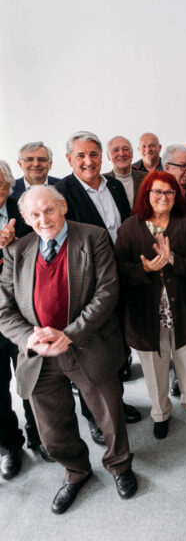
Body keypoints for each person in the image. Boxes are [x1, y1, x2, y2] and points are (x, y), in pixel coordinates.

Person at [0, 186, 137, 513]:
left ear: (62, 206)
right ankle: (76, 471)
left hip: (87, 345)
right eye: (34, 214)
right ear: (25, 218)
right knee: (52, 431)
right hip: (39, 355)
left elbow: (107, 292)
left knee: (109, 417)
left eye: (49, 210)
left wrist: (70, 334)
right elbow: (4, 310)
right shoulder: (16, 251)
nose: (43, 219)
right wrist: (29, 337)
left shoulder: (93, 237)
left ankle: (119, 465)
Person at [55, 131, 140, 442]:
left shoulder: (113, 185)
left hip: (121, 277)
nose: (88, 161)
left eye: (93, 154)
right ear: (69, 159)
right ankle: (93, 416)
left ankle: (116, 404)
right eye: (81, 155)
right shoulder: (61, 193)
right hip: (88, 288)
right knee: (91, 357)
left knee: (116, 350)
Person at [115, 171, 186, 439]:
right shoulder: (130, 227)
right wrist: (144, 269)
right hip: (147, 313)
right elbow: (118, 269)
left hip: (184, 308)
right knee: (154, 367)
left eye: (169, 192)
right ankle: (161, 413)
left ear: (176, 196)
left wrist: (174, 259)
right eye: (157, 191)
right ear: (146, 195)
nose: (163, 197)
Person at [0, 162, 52, 479]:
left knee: (33, 378)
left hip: (24, 312)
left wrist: (14, 242)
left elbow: (44, 249)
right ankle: (10, 445)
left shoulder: (25, 210)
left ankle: (39, 435)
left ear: (8, 186)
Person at [104, 136, 147, 208]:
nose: (121, 154)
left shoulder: (147, 178)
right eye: (115, 150)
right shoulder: (101, 181)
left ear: (132, 153)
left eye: (126, 149)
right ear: (108, 156)